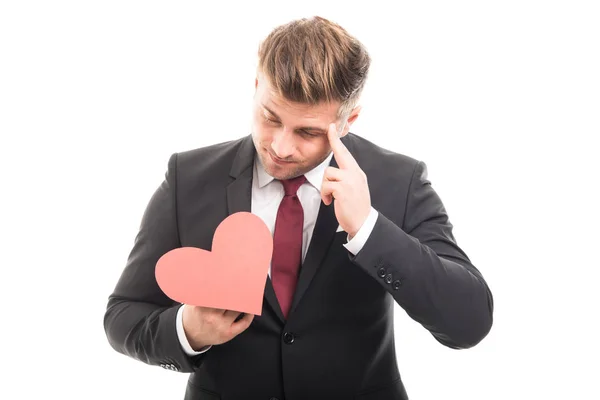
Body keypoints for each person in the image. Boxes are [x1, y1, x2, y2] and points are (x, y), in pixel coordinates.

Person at [104, 16, 494, 400]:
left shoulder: (399, 181)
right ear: (256, 87)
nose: (281, 146)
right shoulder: (187, 178)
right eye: (270, 118)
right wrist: (187, 330)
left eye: (308, 132)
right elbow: (123, 315)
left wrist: (370, 230)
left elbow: (468, 323)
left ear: (348, 121)